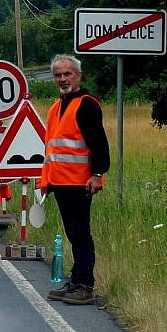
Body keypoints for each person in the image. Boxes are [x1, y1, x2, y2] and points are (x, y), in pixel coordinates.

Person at [38, 54, 109, 305]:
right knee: (72, 233)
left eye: (67, 74)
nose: (62, 79)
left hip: (80, 182)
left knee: (80, 234)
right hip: (60, 182)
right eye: (58, 75)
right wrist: (45, 181)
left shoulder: (87, 104)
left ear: (78, 76)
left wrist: (98, 175)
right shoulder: (56, 107)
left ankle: (85, 285)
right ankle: (76, 281)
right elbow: (51, 149)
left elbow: (99, 144)